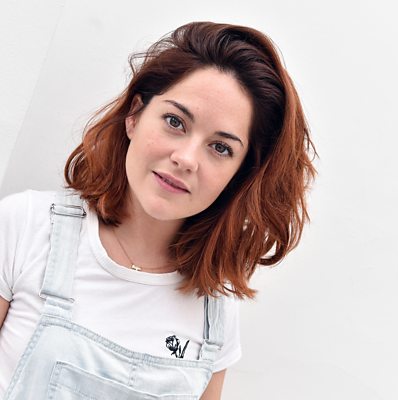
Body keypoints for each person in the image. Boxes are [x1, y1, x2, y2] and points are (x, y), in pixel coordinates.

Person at [0, 21, 316, 399]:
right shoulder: (25, 226)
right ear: (134, 115)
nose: (186, 159)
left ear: (239, 174)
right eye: (175, 122)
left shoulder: (215, 311)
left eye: (220, 148)